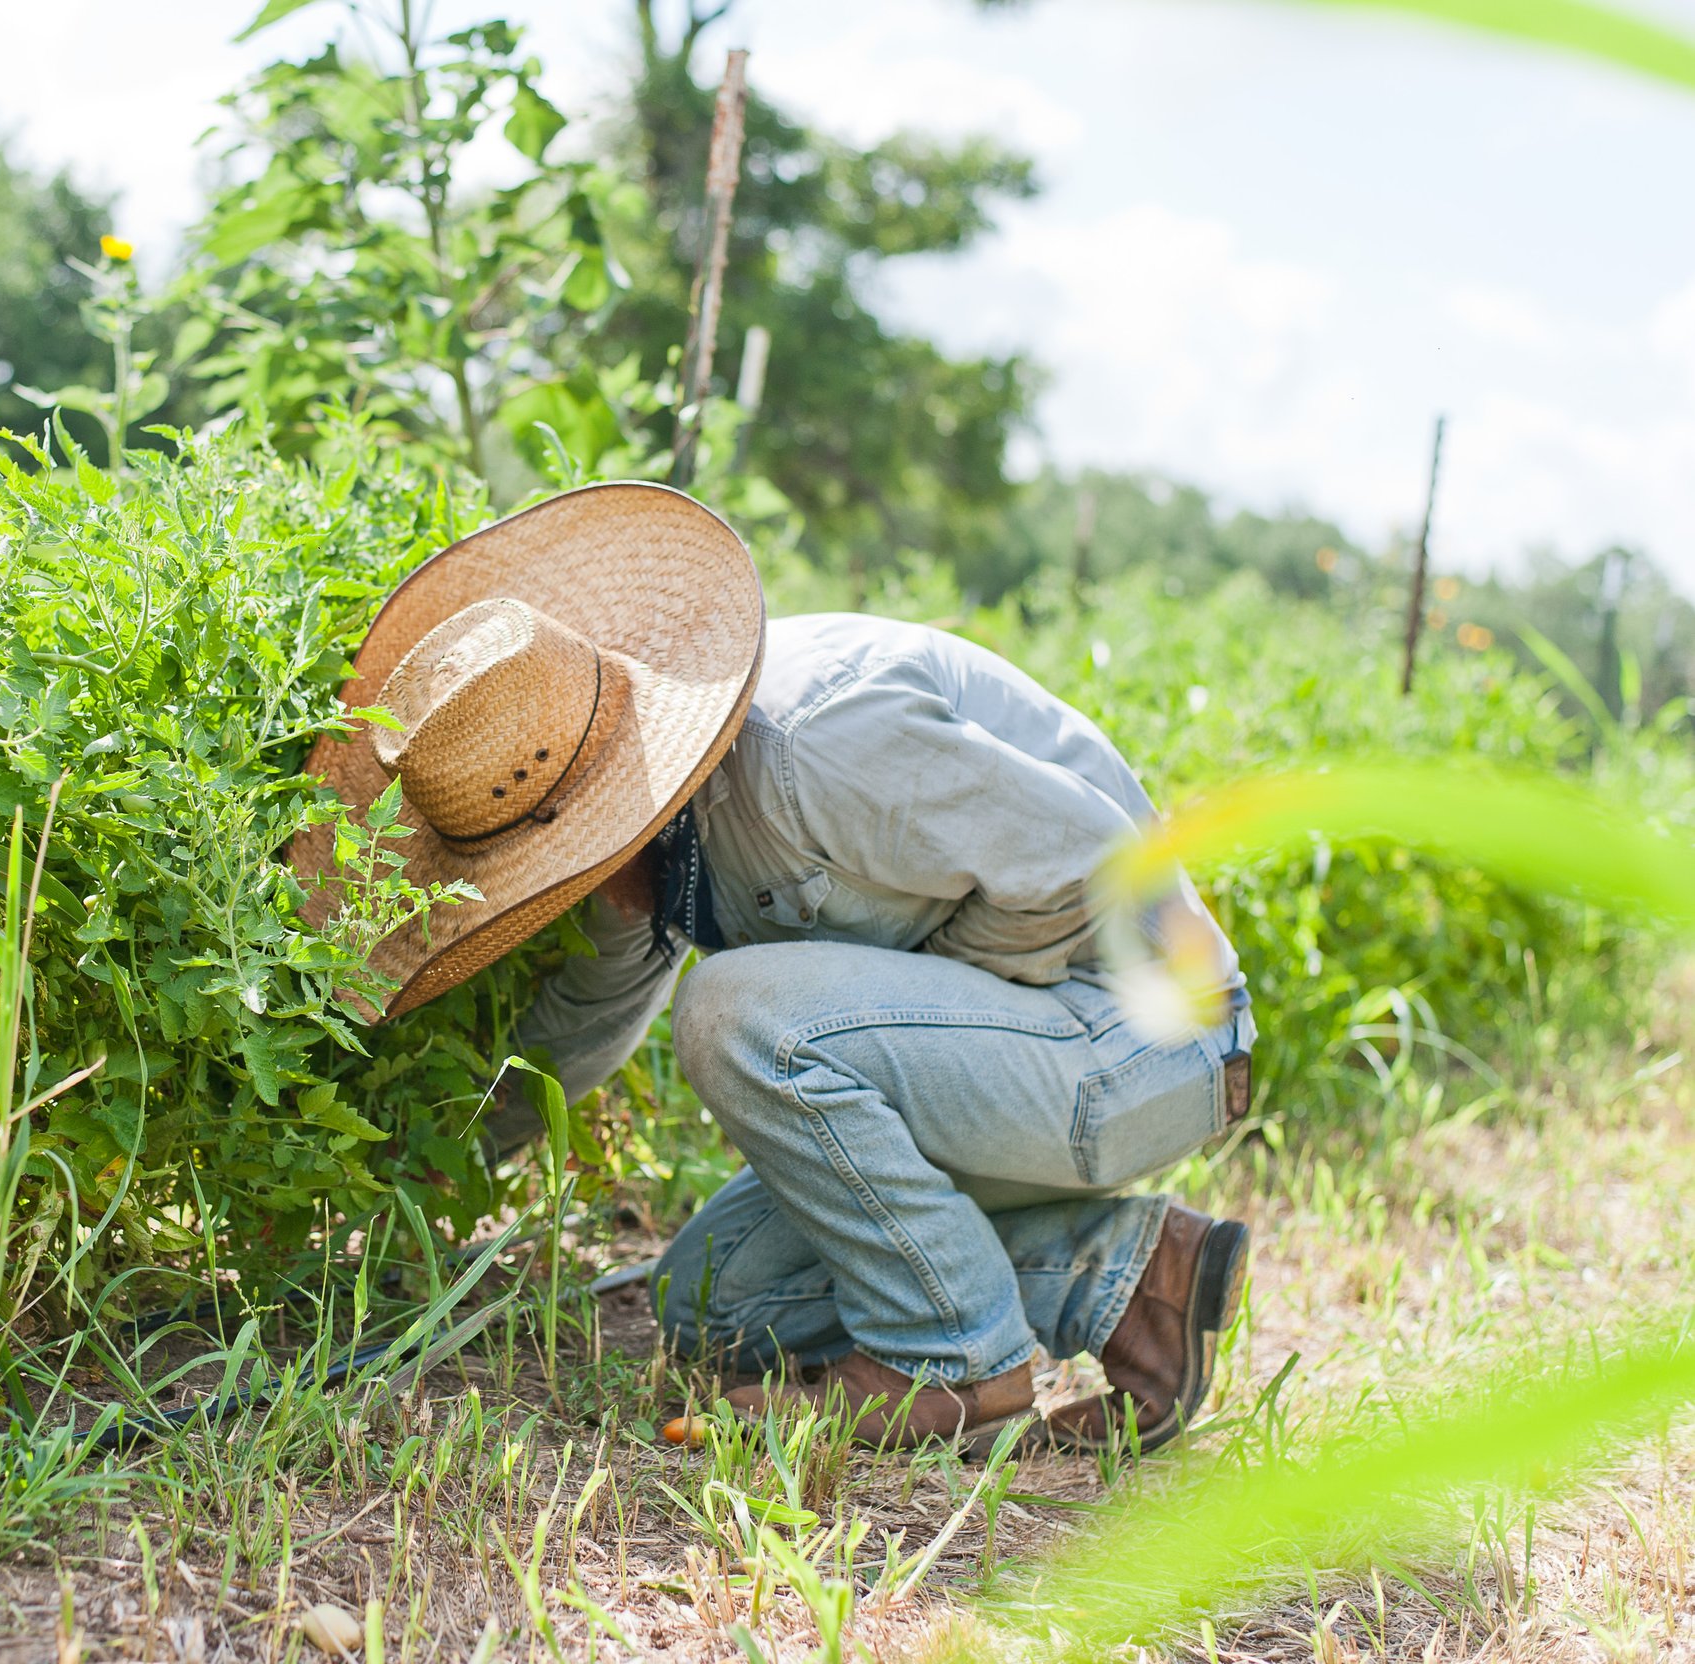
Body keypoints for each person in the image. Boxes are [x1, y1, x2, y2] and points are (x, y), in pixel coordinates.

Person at [291, 482, 1254, 1453]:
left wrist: (932, 1010)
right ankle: (1131, 1276)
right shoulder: (657, 843)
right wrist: (407, 1171)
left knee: (732, 1007)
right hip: (1023, 1068)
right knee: (711, 1298)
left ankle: (952, 1362)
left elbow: (1090, 861)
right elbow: (585, 1017)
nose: (553, 896)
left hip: (1134, 1038)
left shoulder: (816, 742)